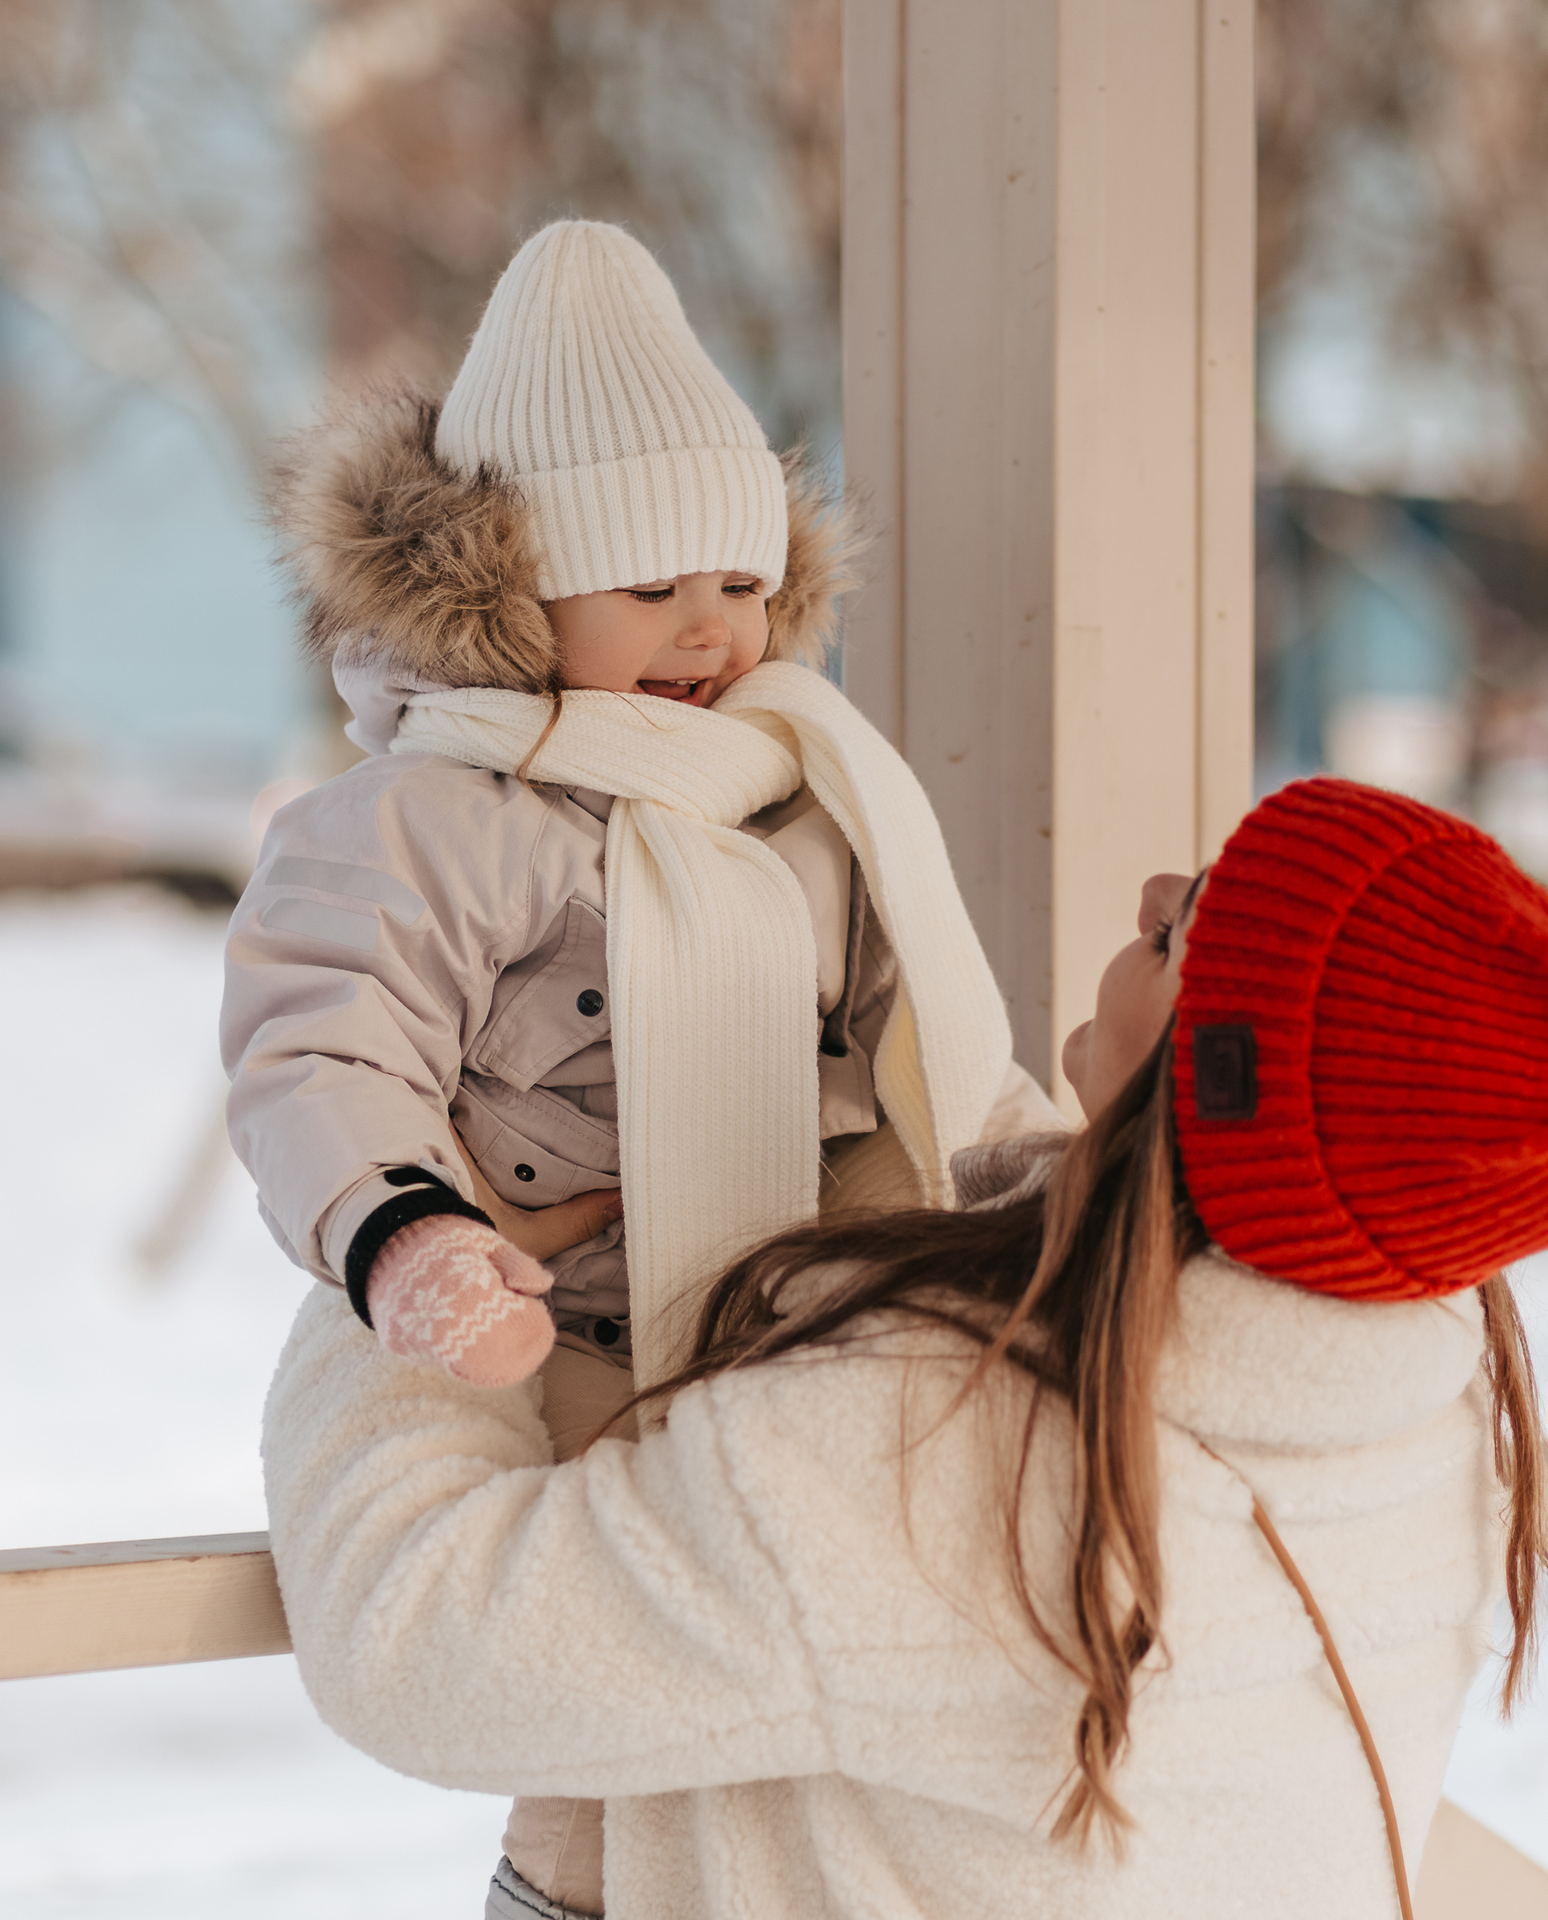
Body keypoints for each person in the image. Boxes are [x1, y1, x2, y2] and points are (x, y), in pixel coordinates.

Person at [261, 777, 1548, 1920]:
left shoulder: (944, 1444)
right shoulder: (1413, 1403)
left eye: (1187, 926)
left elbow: (422, 1634)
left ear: (1198, 1081)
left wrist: (407, 1258)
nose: (1155, 888)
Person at [224, 218, 1058, 1908]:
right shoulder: (437, 815)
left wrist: (1047, 1188)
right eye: (652, 584)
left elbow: (932, 1037)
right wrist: (405, 1234)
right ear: (521, 593)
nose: (709, 627)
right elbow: (323, 1041)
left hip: (784, 1323)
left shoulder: (808, 790)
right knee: (605, 1740)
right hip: (563, 1330)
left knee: (814, 1714)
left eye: (743, 583)